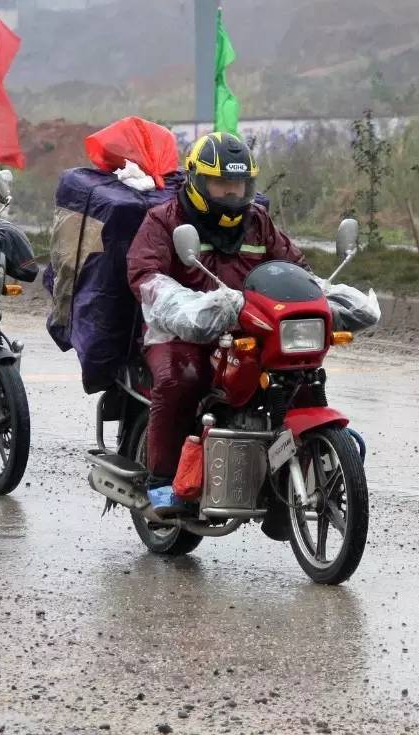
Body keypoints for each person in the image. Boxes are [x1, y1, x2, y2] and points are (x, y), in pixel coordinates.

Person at [127, 132, 308, 516]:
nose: (232, 193)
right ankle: (162, 484)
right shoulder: (163, 221)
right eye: (221, 184)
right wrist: (194, 308)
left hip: (249, 330)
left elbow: (294, 267)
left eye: (239, 185)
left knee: (298, 379)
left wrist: (321, 294)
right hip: (179, 334)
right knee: (182, 378)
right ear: (196, 181)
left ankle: (286, 478)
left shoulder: (258, 222)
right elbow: (146, 277)